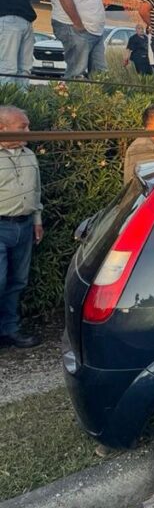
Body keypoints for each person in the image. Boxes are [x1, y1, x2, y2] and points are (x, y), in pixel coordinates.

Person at [0, 105, 43, 348]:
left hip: (24, 227)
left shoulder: (29, 155)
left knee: (18, 282)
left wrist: (36, 221)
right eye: (22, 126)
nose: (29, 130)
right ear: (2, 128)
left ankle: (10, 330)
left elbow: (36, 191)